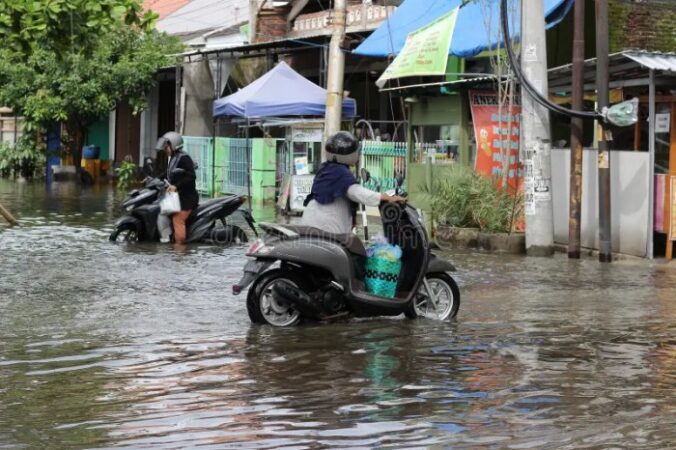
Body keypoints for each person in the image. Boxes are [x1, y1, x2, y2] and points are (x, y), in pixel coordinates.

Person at [301, 131, 405, 235]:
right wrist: (384, 197)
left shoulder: (325, 169)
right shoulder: (340, 172)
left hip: (311, 223)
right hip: (325, 229)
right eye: (356, 151)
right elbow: (355, 192)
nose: (358, 154)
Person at [155, 132, 198, 245]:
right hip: (176, 197)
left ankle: (180, 248)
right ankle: (167, 240)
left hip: (187, 198)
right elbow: (168, 173)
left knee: (177, 219)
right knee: (162, 212)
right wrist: (154, 180)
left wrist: (176, 186)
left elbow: (191, 176)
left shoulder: (184, 158)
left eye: (166, 147)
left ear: (174, 145)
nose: (165, 149)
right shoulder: (174, 157)